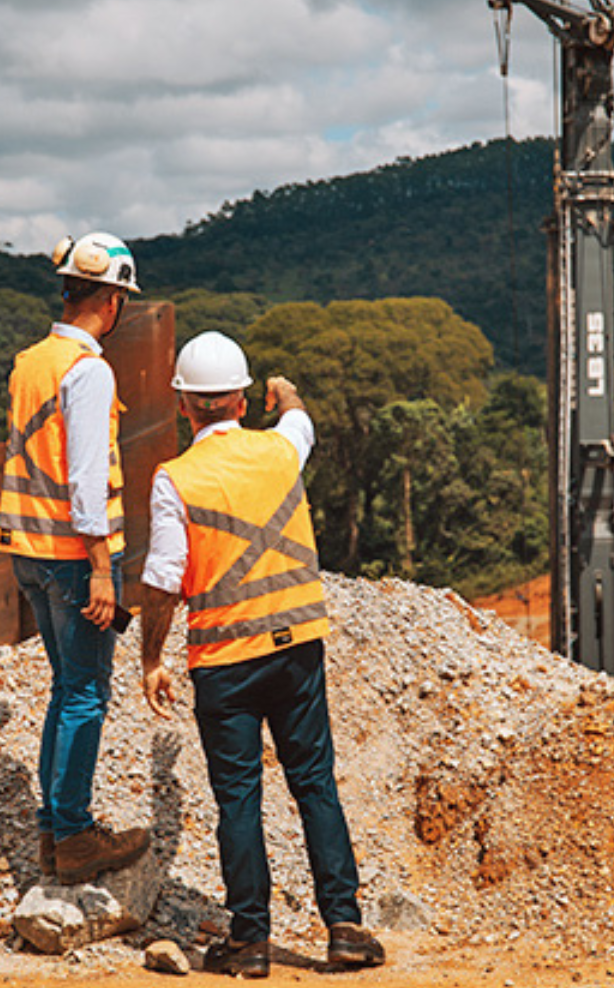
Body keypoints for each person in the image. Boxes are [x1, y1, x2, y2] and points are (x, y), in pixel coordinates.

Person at [137, 332, 384, 978]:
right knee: (314, 783)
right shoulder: (281, 448)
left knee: (239, 798)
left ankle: (250, 941)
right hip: (297, 650)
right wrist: (287, 391)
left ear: (185, 408)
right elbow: (300, 416)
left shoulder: (175, 480)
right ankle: (345, 928)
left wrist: (150, 659)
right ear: (242, 400)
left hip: (223, 662)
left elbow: (163, 578)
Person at [0, 231, 151, 886]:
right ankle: (76, 838)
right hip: (69, 556)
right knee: (86, 695)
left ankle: (55, 832)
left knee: (67, 691)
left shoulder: (32, 360)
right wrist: (101, 568)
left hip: (26, 552)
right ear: (111, 301)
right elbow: (85, 479)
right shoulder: (88, 371)